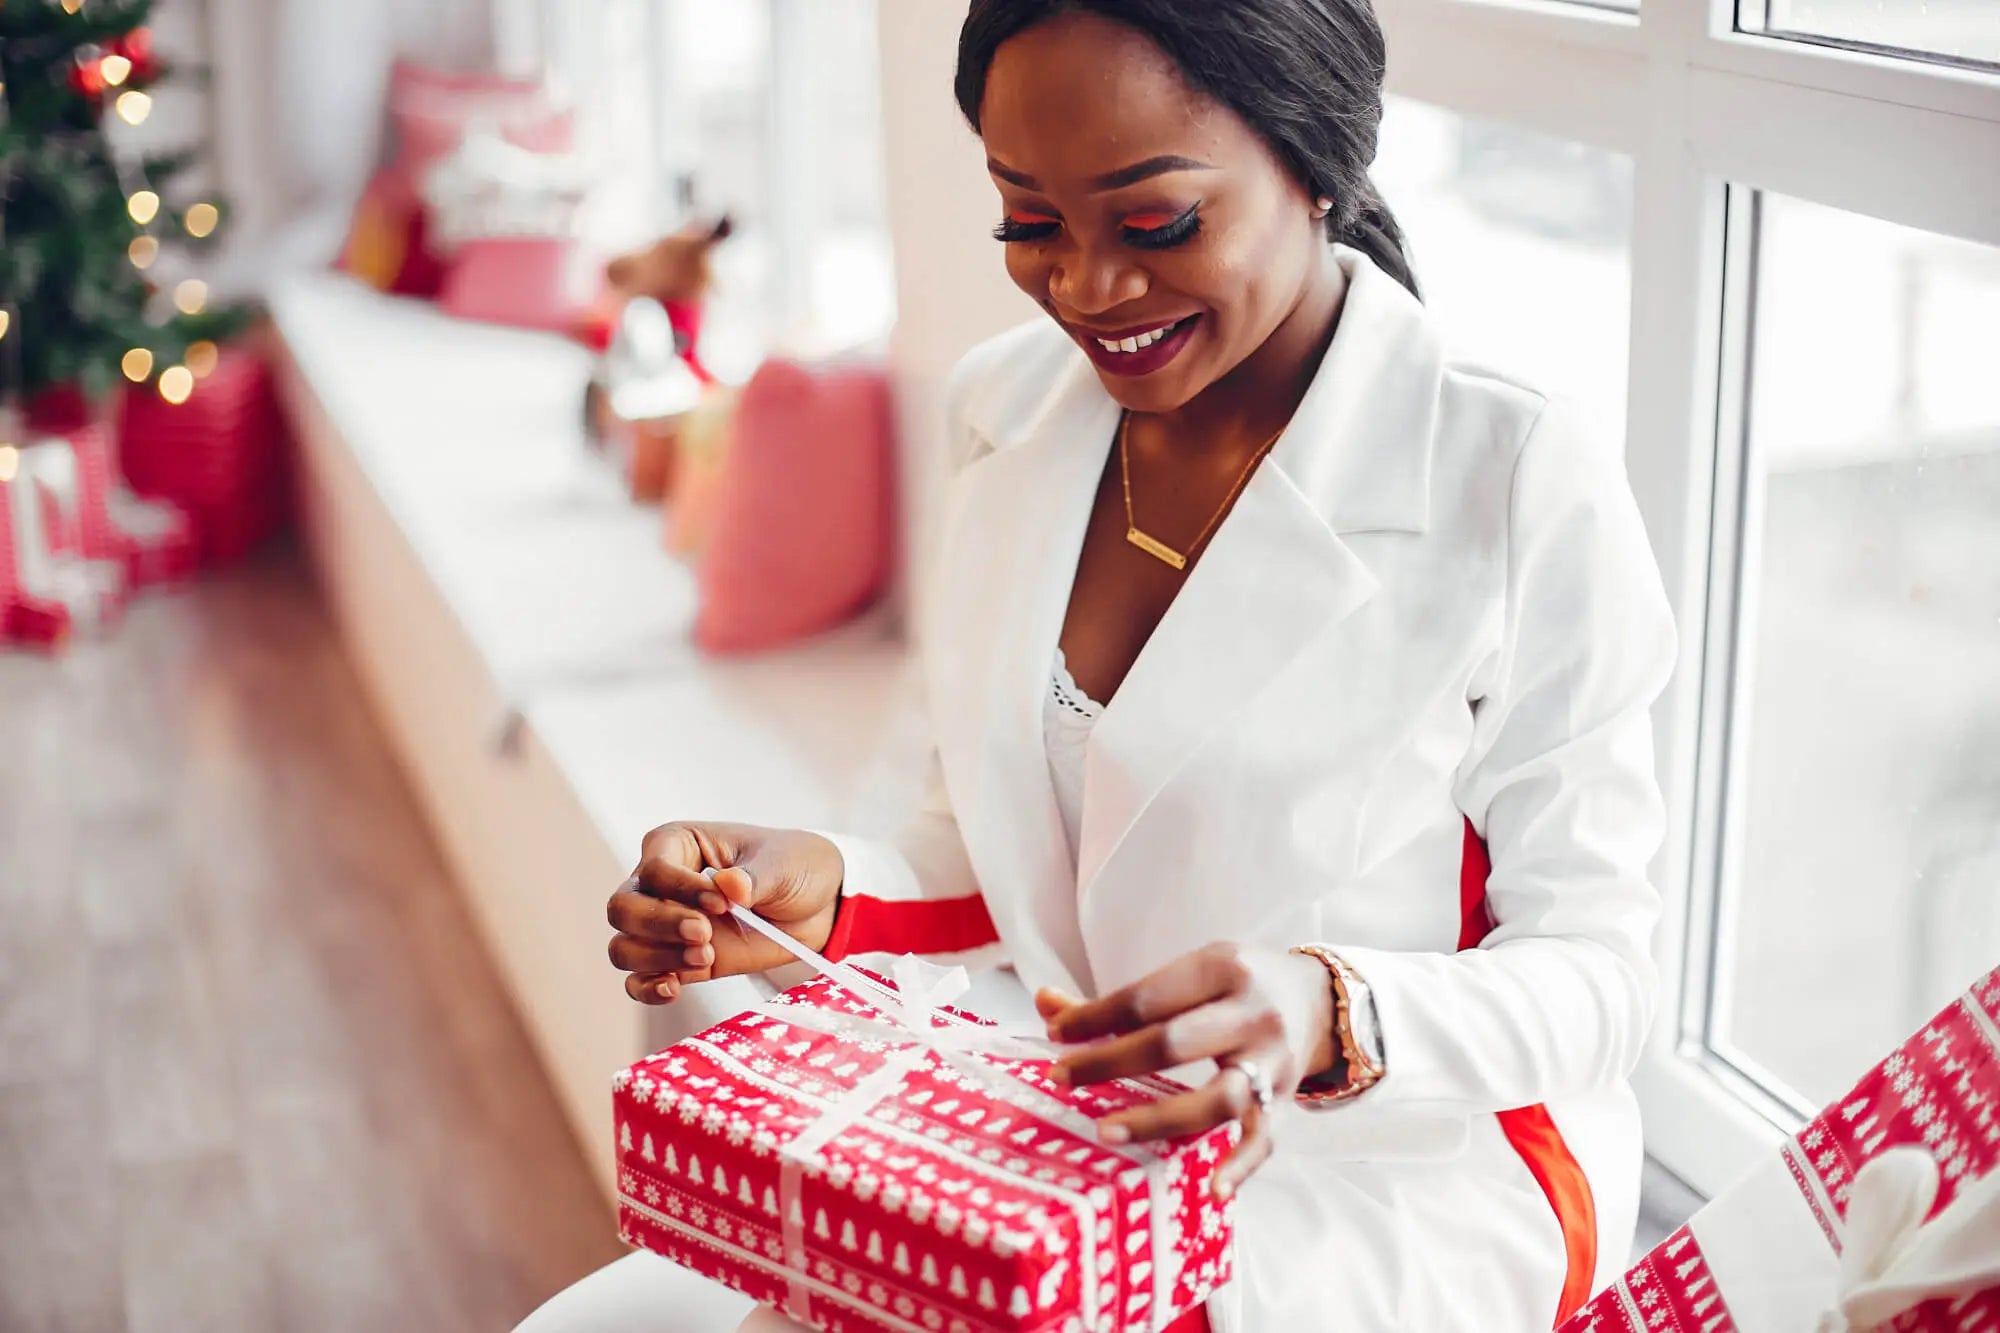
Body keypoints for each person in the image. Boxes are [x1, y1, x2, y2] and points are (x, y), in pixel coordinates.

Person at [522, 1, 1677, 1329]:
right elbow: (979, 840)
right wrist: (813, 887)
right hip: (1085, 1126)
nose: (1086, 288)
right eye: (1029, 221)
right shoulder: (1005, 414)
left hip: (1404, 1175)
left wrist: (1329, 1011)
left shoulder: (1514, 473)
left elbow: (1608, 977)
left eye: (1156, 223)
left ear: (1315, 164)